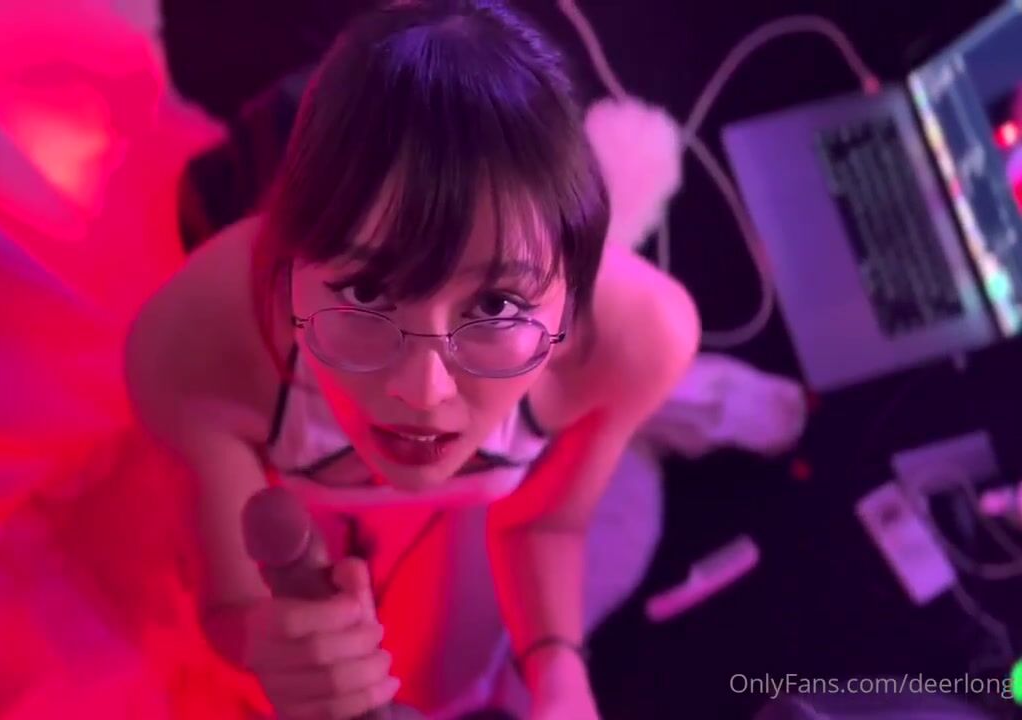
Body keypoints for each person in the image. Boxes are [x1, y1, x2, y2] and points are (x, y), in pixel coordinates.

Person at [125, 1, 700, 718]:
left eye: (494, 305)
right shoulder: (194, 346)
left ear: (572, 295)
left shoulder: (638, 337)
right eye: (366, 293)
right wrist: (272, 642)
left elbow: (546, 523)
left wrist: (562, 679)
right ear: (291, 267)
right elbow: (231, 598)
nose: (422, 394)